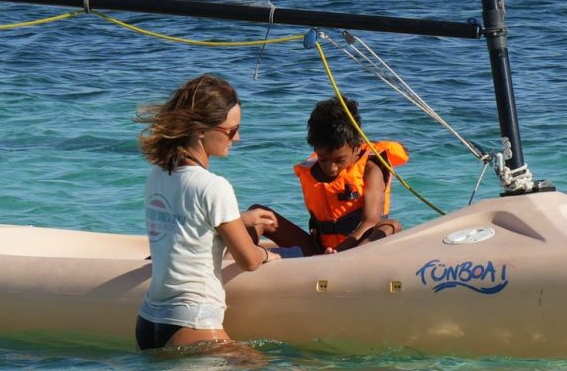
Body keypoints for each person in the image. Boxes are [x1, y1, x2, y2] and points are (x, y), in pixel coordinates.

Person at [134, 74, 279, 351]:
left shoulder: (157, 175)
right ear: (201, 130)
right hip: (193, 320)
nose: (238, 138)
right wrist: (268, 255)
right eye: (231, 130)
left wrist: (240, 220)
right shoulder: (214, 187)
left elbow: (184, 225)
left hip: (148, 322)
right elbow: (248, 260)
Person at [250, 96, 408, 255]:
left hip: (361, 247)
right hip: (321, 251)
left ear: (357, 148)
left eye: (340, 160)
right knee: (258, 214)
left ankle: (348, 262)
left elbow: (371, 221)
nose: (331, 168)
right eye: (323, 159)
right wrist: (329, 255)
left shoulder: (371, 170)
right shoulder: (312, 171)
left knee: (391, 226)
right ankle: (237, 263)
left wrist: (339, 252)